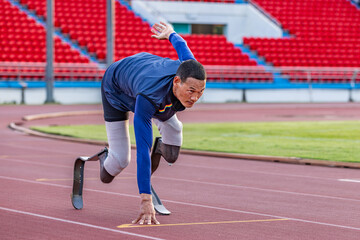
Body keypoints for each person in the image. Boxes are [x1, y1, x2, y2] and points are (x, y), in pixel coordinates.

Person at [100, 22, 206, 225]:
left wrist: (171, 33)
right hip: (115, 89)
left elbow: (182, 46)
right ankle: (104, 157)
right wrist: (145, 199)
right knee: (119, 162)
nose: (195, 98)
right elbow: (142, 149)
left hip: (144, 71)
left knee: (174, 140)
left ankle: (159, 148)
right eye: (191, 91)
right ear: (177, 82)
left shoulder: (190, 69)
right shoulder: (148, 97)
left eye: (200, 92)